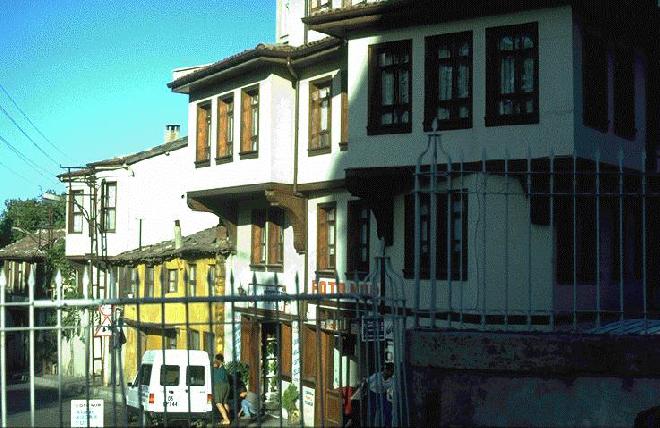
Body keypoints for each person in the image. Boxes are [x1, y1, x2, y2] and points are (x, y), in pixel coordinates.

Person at [366, 362, 394, 428]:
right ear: (386, 370)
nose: (392, 373)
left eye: (392, 371)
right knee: (372, 412)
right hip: (372, 393)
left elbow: (393, 389)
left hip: (382, 395)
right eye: (391, 371)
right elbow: (367, 381)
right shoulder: (377, 375)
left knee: (387, 410)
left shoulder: (391, 380)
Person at [212, 353, 231, 425]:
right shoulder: (224, 369)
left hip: (219, 386)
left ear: (218, 360)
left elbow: (215, 365)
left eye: (215, 359)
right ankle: (226, 417)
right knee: (225, 403)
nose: (214, 361)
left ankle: (226, 419)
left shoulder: (216, 364)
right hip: (227, 385)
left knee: (218, 404)